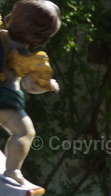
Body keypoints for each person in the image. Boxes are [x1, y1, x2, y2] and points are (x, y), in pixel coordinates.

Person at [0, 0, 60, 185]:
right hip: (5, 102)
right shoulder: (25, 57)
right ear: (39, 38)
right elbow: (32, 87)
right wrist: (49, 84)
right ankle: (12, 171)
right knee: (25, 133)